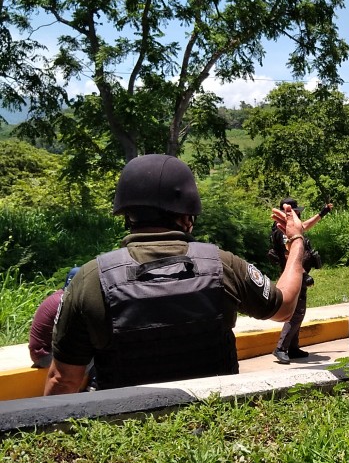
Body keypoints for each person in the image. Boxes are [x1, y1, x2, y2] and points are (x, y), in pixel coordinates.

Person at [43, 154, 306, 395]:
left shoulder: (90, 278)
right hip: (214, 429)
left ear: (127, 214)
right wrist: (295, 241)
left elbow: (63, 379)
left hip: (125, 434)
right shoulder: (223, 264)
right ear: (187, 215)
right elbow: (283, 308)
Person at [270, 197, 333, 364]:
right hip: (294, 276)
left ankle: (292, 347)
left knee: (298, 311)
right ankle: (281, 348)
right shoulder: (283, 233)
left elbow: (304, 226)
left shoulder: (288, 228)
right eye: (297, 212)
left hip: (295, 275)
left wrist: (322, 213)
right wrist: (304, 275)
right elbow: (290, 254)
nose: (299, 215)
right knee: (296, 313)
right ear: (291, 213)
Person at [28, 267, 79, 368]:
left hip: (40, 352)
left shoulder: (60, 295)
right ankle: (94, 384)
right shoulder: (64, 302)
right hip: (44, 356)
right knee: (94, 357)